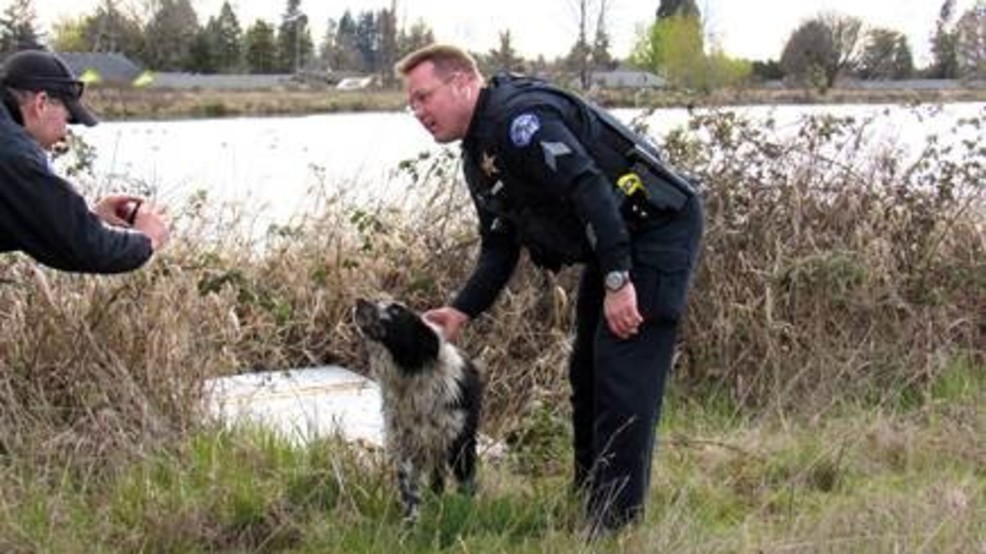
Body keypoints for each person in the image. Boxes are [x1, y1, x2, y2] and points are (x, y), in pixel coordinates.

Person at [395, 44, 703, 532]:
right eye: (411, 103)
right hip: (613, 244)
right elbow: (499, 245)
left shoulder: (521, 123)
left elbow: (590, 190)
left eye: (423, 96)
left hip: (655, 230)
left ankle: (614, 527)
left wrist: (618, 281)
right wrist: (461, 311)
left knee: (622, 378)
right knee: (587, 374)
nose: (417, 111)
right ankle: (590, 501)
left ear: (462, 83)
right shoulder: (479, 153)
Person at [1, 49, 168, 274]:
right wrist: (147, 239)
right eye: (67, 119)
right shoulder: (13, 152)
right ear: (41, 103)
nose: (65, 133)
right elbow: (85, 249)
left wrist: (89, 217)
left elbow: (25, 222)